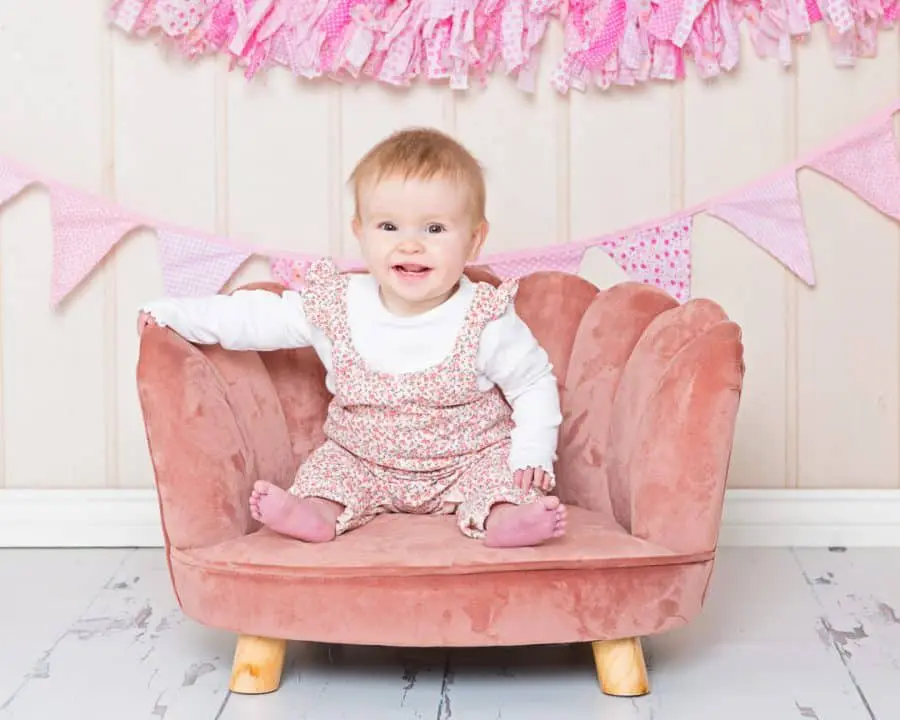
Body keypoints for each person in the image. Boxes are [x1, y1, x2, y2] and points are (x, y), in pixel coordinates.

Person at [138, 127, 566, 548]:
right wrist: (174, 315)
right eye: (389, 226)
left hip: (468, 461)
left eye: (434, 229)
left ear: (474, 241)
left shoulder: (485, 316)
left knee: (506, 478)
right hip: (363, 460)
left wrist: (533, 450)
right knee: (327, 474)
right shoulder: (339, 303)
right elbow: (255, 316)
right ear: (360, 233)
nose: (410, 245)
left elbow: (532, 383)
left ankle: (504, 519)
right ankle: (315, 514)